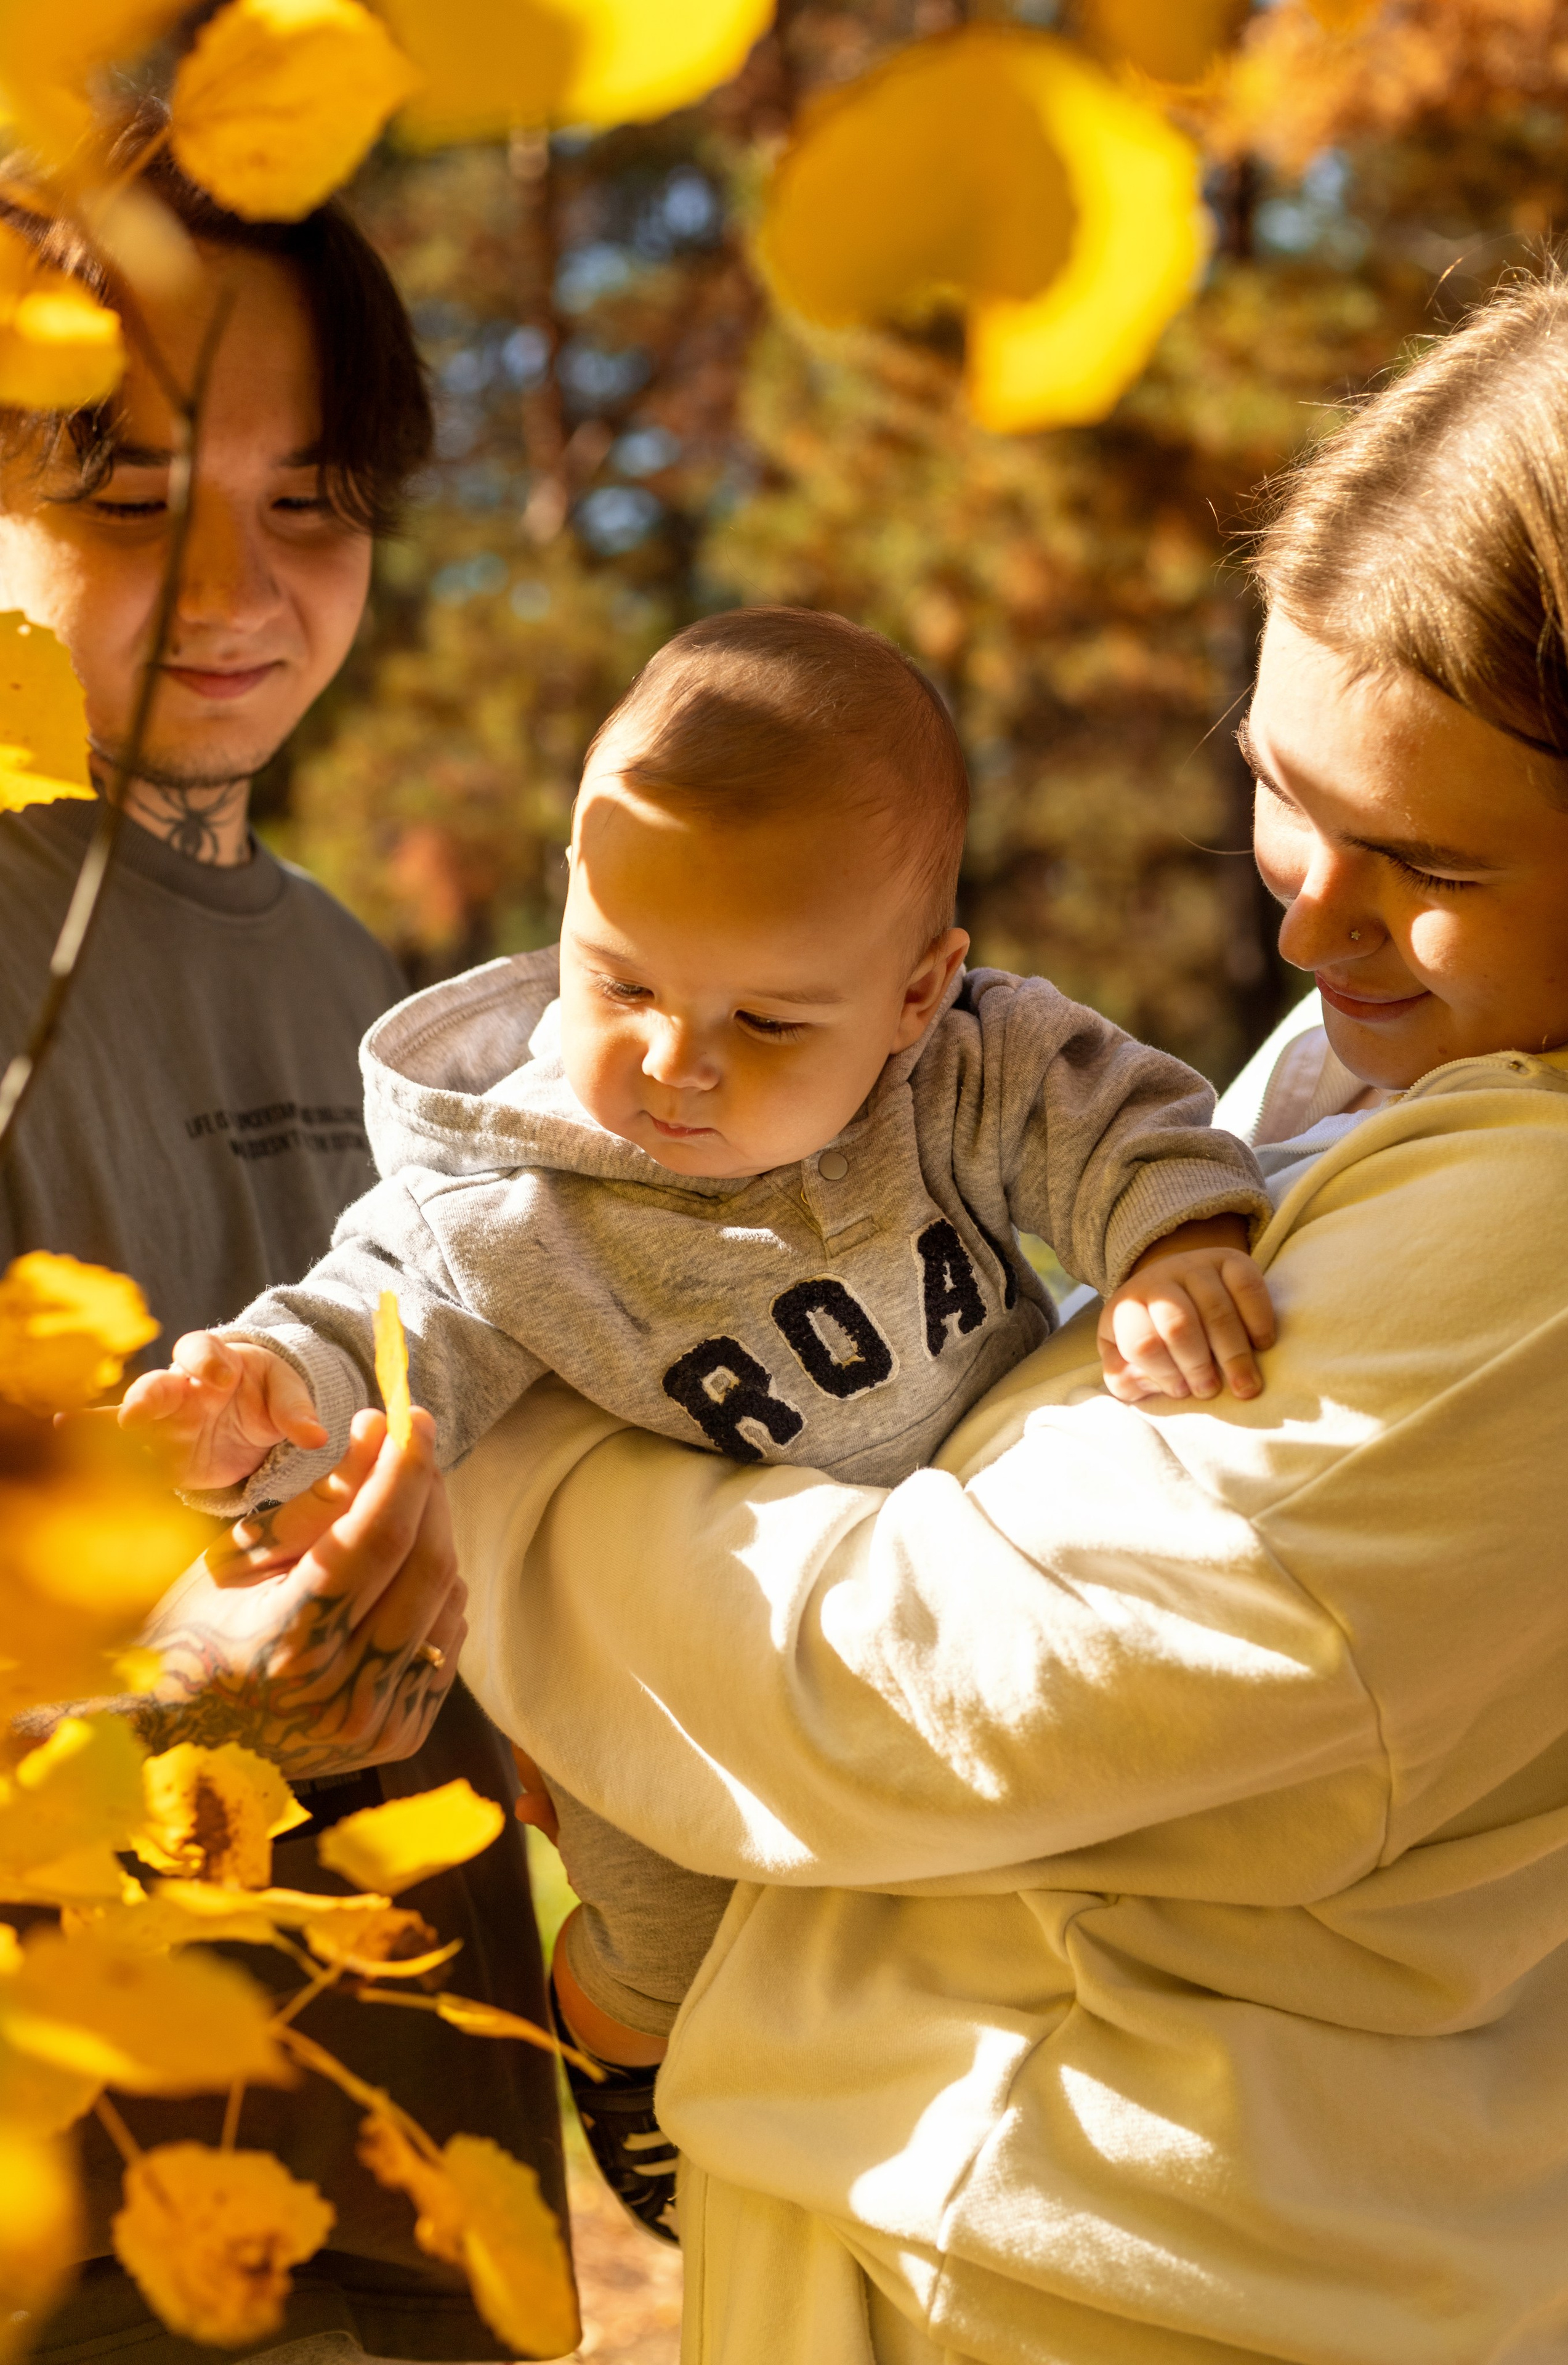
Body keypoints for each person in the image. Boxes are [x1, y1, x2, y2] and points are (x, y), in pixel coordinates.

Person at [397, 263, 1568, 2361]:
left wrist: (494, 1432)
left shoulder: (1542, 1256)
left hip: (1103, 2285)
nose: (1302, 900)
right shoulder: (1381, 1078)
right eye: (1279, 785)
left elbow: (932, 1685)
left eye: (1418, 855)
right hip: (1005, 2228)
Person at [124, 605, 1278, 2232]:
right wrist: (262, 1389)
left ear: (914, 991)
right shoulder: (516, 1199)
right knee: (674, 1921)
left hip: (955, 1592)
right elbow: (380, 1315)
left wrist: (1172, 1240)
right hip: (681, 1681)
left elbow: (1110, 1114)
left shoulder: (961, 1071)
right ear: (571, 917)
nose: (677, 1062)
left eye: (768, 1022)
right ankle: (613, 2022)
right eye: (625, 982)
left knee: (1010, 1896)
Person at [0, 130, 565, 2364]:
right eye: (126, 496)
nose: (235, 585)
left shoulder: (387, 996)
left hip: (431, 2170)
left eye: (310, 498)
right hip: (95, 2226)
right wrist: (162, 1668)